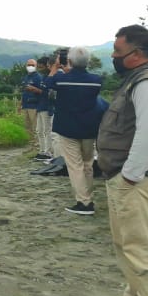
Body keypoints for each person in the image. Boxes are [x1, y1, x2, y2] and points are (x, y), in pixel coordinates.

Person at [98, 25, 148, 296]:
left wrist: (130, 176)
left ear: (137, 54)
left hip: (139, 180)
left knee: (144, 250)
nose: (114, 56)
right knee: (127, 246)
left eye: (118, 51)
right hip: (126, 178)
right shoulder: (135, 81)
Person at [46, 46, 104, 215]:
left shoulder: (61, 79)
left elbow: (46, 85)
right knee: (87, 164)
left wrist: (56, 68)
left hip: (68, 128)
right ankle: (88, 197)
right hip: (89, 128)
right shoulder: (96, 80)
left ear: (68, 61)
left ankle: (84, 202)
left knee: (75, 166)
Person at [21, 57, 44, 151]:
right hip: (26, 105)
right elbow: (23, 92)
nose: (30, 67)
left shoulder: (38, 77)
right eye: (28, 65)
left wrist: (34, 89)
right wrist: (20, 104)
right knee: (28, 127)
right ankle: (31, 146)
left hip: (34, 106)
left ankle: (37, 146)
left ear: (36, 66)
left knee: (35, 127)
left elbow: (43, 91)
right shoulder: (25, 77)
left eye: (32, 65)